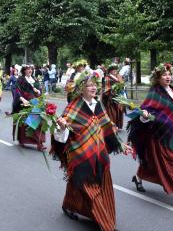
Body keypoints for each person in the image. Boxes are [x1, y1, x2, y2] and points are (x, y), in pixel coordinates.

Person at [51, 70, 132, 231]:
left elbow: (106, 127)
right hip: (80, 155)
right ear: (81, 88)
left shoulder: (98, 104)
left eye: (95, 85)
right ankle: (106, 225)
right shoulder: (73, 107)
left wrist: (120, 145)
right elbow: (61, 134)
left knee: (95, 185)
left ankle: (69, 204)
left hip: (99, 154)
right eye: (89, 85)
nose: (93, 88)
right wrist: (61, 127)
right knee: (90, 188)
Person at [127, 63, 173, 214]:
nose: (168, 77)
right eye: (164, 75)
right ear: (157, 78)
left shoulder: (172, 90)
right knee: (172, 164)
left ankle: (138, 178)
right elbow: (146, 113)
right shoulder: (154, 93)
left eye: (169, 74)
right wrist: (145, 116)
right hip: (159, 135)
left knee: (153, 161)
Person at [11, 65, 45, 151]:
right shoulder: (21, 79)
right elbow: (16, 90)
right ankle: (23, 140)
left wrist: (38, 91)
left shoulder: (35, 79)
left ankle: (39, 143)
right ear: (24, 70)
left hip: (36, 102)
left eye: (31, 69)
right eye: (28, 69)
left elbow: (40, 91)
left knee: (37, 121)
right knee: (27, 122)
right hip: (26, 102)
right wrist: (22, 99)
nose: (30, 70)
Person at [101, 63, 125, 129]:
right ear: (110, 70)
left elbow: (122, 84)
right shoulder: (107, 77)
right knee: (112, 112)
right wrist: (111, 91)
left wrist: (121, 86)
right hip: (110, 97)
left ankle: (117, 125)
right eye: (113, 70)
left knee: (119, 111)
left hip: (118, 96)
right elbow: (106, 87)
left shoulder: (118, 76)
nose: (114, 71)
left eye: (115, 70)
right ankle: (112, 126)